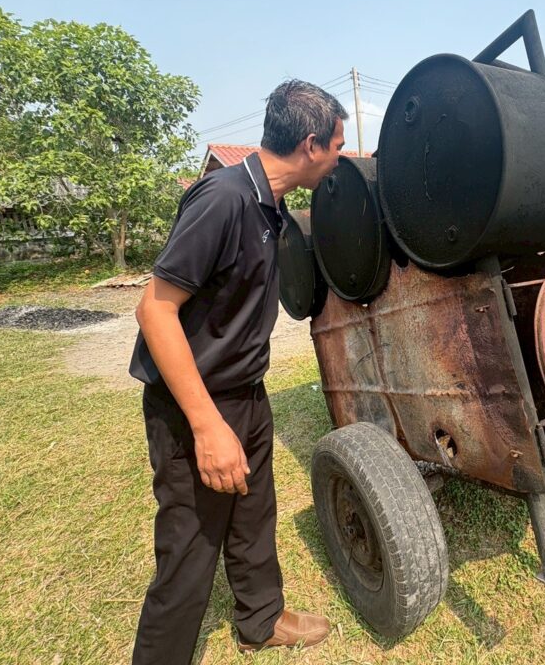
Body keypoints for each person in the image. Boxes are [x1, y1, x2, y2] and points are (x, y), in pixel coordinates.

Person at [128, 80, 348, 663]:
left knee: (253, 517)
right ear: (309, 145)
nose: (339, 157)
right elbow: (155, 309)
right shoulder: (223, 198)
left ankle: (261, 619)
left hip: (247, 394)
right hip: (196, 405)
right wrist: (206, 427)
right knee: (190, 546)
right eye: (337, 145)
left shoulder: (271, 204)